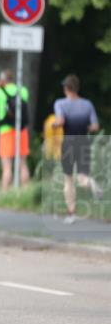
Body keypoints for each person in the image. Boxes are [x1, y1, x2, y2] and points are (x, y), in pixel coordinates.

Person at [52, 74, 102, 224]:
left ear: (66, 88)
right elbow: (95, 126)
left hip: (69, 143)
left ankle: (71, 213)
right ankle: (93, 184)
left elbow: (60, 120)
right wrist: (85, 127)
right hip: (84, 142)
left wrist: (54, 125)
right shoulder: (88, 104)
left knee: (68, 179)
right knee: (82, 177)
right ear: (77, 88)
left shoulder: (60, 103)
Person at [0, 69, 30, 190]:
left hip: (6, 131)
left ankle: (4, 194)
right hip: (21, 130)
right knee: (23, 164)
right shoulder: (22, 90)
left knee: (7, 166)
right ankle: (25, 193)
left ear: (2, 79)